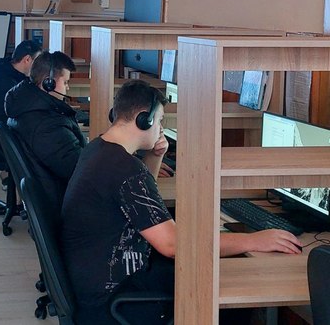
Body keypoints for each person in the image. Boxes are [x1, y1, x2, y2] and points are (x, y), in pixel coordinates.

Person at [60, 79, 303, 324]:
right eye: (160, 120)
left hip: (99, 283)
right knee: (228, 286)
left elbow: (140, 203)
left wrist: (156, 155)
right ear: (144, 119)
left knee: (213, 263)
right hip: (115, 300)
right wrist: (254, 240)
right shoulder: (125, 168)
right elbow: (173, 245)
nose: (161, 128)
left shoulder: (99, 149)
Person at [5, 51, 86, 209]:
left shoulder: (27, 108)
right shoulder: (46, 125)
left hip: (54, 193)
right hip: (66, 203)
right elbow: (79, 170)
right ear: (48, 83)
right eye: (65, 82)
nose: (68, 88)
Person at [0, 40, 42, 163]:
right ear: (27, 59)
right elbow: (10, 118)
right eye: (37, 62)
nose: (39, 68)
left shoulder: (5, 74)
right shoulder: (4, 83)